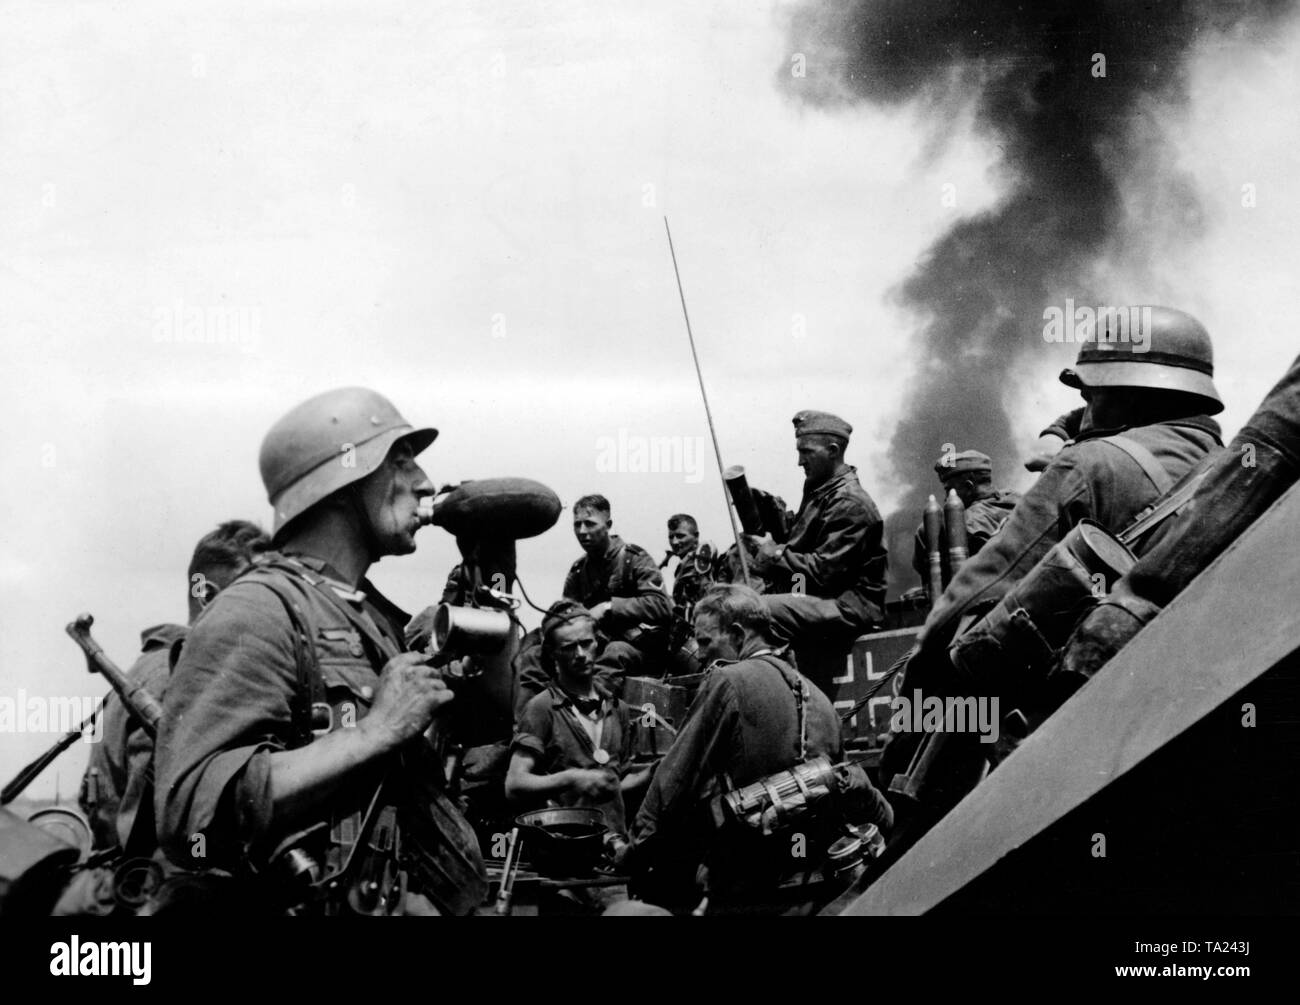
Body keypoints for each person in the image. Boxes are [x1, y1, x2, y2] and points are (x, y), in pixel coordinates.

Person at [881, 306, 1228, 834]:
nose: (1083, 404)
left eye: (1089, 392)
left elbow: (967, 600)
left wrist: (910, 725)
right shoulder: (1228, 476)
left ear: (1126, 391)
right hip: (1188, 723)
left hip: (1072, 746)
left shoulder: (1087, 467)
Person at [154, 387, 486, 916]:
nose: (423, 481)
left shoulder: (366, 617)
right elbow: (190, 811)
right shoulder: (258, 610)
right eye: (400, 460)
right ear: (343, 480)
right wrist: (375, 732)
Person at [621, 584, 890, 912]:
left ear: (736, 634)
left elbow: (674, 783)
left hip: (754, 888)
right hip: (816, 885)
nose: (700, 653)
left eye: (705, 641)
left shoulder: (727, 681)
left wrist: (635, 850)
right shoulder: (816, 694)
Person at [56, 521, 270, 916]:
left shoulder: (154, 669)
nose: (271, 612)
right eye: (255, 595)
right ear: (206, 595)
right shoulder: (180, 680)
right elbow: (168, 840)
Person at [1054, 349, 1300, 695]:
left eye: (1092, 394)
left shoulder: (1087, 464)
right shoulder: (1207, 457)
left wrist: (1120, 616)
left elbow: (1271, 449)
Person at [749, 411, 889, 699]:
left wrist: (773, 555)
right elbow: (804, 543)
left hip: (850, 606)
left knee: (758, 611)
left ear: (833, 451)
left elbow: (823, 571)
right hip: (825, 598)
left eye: (806, 452)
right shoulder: (821, 492)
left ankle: (783, 697)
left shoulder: (850, 502)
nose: (800, 461)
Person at [505, 601, 650, 838]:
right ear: (552, 652)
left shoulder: (618, 708)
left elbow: (615, 784)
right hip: (566, 849)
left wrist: (652, 774)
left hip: (613, 851)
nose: (580, 655)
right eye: (569, 647)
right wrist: (572, 779)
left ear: (597, 643)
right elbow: (514, 784)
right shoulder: (541, 708)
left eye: (585, 643)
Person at [562, 495, 672, 679]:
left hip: (642, 651)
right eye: (577, 524)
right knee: (536, 653)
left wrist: (609, 607)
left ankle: (591, 706)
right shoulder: (578, 571)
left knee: (615, 653)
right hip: (596, 647)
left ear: (608, 524)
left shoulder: (633, 558)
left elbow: (661, 605)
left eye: (589, 523)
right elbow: (567, 614)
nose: (582, 531)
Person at [911, 450, 1020, 594]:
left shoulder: (957, 524)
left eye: (949, 490)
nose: (945, 498)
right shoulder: (1020, 501)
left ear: (969, 487)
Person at [663, 513, 721, 673]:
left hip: (697, 634)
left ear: (696, 537)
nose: (675, 542)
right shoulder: (685, 563)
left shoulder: (699, 559)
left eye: (681, 536)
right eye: (671, 537)